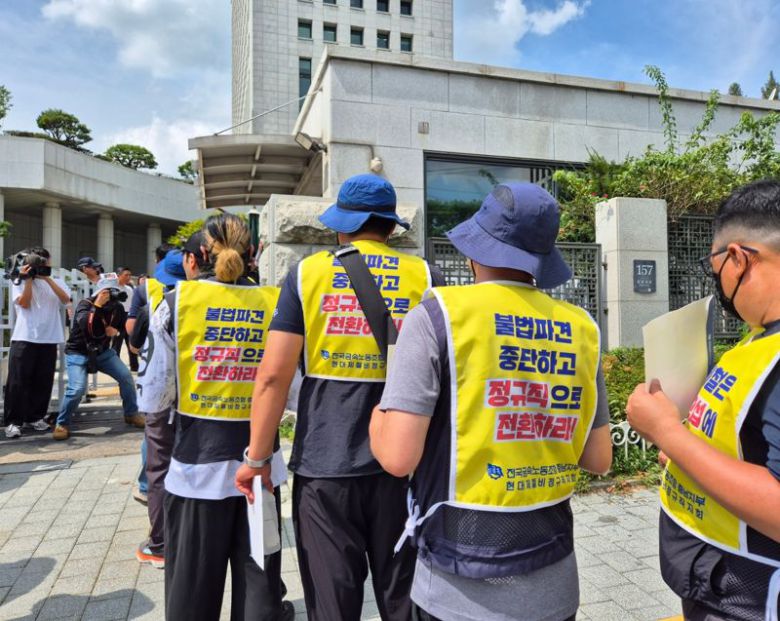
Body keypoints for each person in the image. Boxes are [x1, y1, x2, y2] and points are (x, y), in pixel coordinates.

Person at [369, 182, 613, 621]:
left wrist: (377, 415)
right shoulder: (582, 328)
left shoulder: (437, 316)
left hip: (456, 580)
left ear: (475, 251)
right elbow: (598, 458)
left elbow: (398, 457)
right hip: (554, 581)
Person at [236, 174, 445, 620]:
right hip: (405, 465)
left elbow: (272, 377)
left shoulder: (307, 274)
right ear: (391, 227)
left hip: (324, 465)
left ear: (341, 226)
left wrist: (256, 461)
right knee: (405, 599)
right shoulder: (427, 276)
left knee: (332, 604)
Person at [627, 180, 780, 621]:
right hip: (719, 585)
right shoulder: (759, 339)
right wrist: (683, 453)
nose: (714, 279)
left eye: (713, 264)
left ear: (737, 258)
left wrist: (668, 434)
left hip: (750, 598)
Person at [144, 214, 292, 620]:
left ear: (199, 256)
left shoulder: (175, 303)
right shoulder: (276, 303)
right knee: (260, 593)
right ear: (251, 253)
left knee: (191, 595)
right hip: (261, 473)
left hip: (195, 473)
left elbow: (155, 396)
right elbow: (291, 390)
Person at [133, 244, 192, 567]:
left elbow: (135, 342)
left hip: (161, 403)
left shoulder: (158, 307)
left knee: (158, 470)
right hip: (199, 405)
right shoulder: (205, 305)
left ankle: (161, 543)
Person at [53, 277, 144, 440]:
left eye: (114, 292)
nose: (111, 297)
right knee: (77, 389)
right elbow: (85, 325)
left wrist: (115, 331)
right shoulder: (85, 304)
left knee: (126, 378)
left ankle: (131, 413)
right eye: (108, 292)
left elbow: (124, 326)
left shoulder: (117, 307)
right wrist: (97, 306)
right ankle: (62, 423)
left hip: (102, 352)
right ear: (100, 292)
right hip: (78, 352)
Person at [4, 247, 71, 438]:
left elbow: (66, 299)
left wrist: (47, 277)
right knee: (17, 382)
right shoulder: (18, 279)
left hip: (49, 338)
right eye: (38, 262)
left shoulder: (56, 281)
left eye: (44, 261)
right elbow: (24, 303)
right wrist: (28, 281)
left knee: (43, 381)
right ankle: (13, 422)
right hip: (24, 337)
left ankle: (35, 417)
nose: (42, 264)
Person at [112, 267, 138, 372]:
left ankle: (134, 366)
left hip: (128, 316)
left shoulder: (130, 289)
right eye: (126, 275)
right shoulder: (112, 288)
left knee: (131, 342)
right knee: (116, 344)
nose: (128, 277)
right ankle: (115, 367)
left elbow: (133, 305)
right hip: (117, 317)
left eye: (129, 275)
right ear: (118, 275)